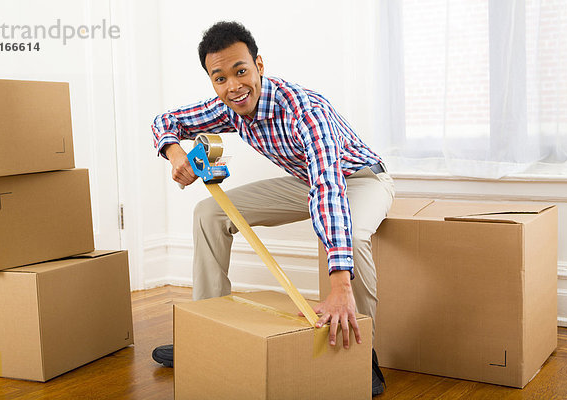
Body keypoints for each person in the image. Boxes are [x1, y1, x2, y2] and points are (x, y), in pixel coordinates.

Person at [150, 21, 394, 396]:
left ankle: (363, 354)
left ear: (259, 65)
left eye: (241, 71)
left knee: (356, 235)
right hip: (304, 181)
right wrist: (175, 152)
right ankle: (208, 328)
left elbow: (329, 187)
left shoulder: (305, 110)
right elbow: (165, 121)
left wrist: (340, 284)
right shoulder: (227, 106)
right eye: (220, 78)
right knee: (209, 212)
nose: (233, 86)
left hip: (359, 179)